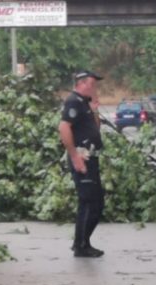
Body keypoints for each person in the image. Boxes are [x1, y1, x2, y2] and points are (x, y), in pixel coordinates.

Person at [58, 70, 106, 258]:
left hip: (91, 157)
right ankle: (80, 245)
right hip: (82, 157)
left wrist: (94, 109)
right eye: (92, 84)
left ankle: (82, 242)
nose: (95, 89)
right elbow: (63, 127)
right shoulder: (73, 101)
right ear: (82, 83)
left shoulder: (84, 104)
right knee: (89, 202)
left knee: (95, 201)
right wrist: (75, 156)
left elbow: (95, 128)